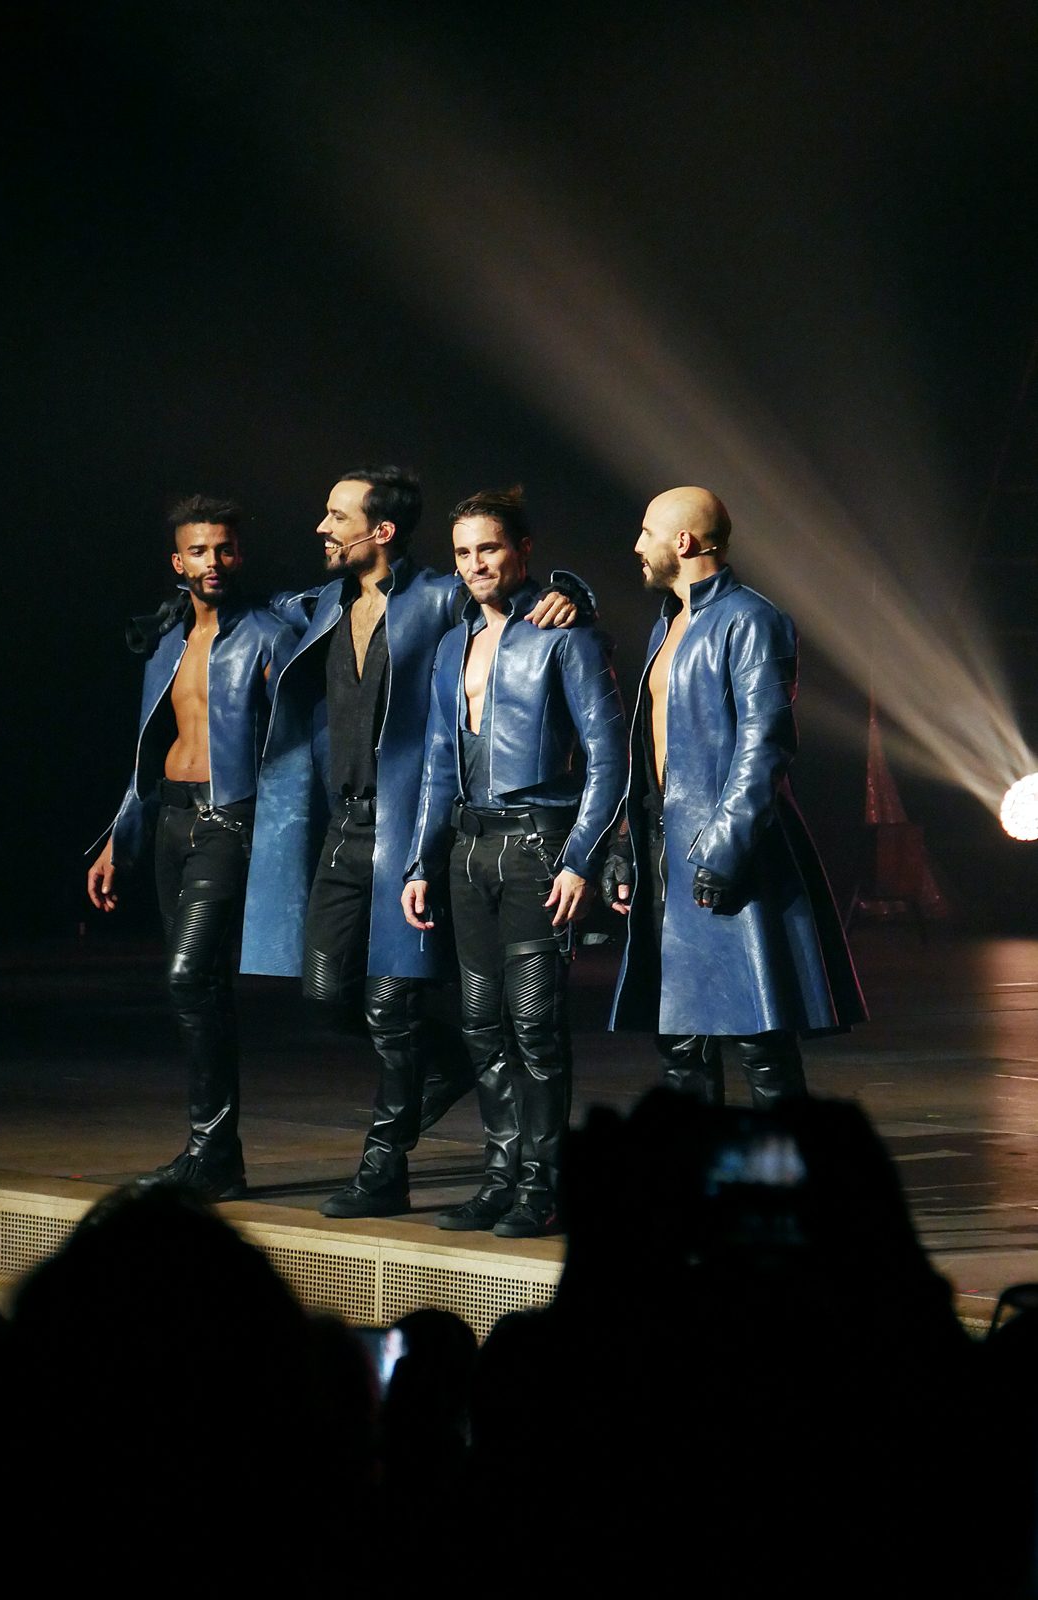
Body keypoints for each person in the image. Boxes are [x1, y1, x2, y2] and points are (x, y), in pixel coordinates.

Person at [240, 467, 590, 1219]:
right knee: (327, 992)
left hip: (409, 826)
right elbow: (265, 608)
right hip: (344, 826)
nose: (322, 528)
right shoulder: (324, 604)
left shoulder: (436, 595)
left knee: (392, 1005)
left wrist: (575, 591)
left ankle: (385, 1166)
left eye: (336, 516)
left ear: (381, 530)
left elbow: (511, 597)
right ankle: (456, 1061)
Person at [403, 487, 628, 1237]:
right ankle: (501, 1177)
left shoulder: (566, 635)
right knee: (479, 1023)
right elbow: (437, 763)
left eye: (489, 548)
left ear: (522, 550)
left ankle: (543, 1185)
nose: (475, 564)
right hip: (469, 850)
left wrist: (580, 859)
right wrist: (419, 863)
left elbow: (609, 758)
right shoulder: (451, 646)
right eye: (463, 552)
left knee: (535, 1024)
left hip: (537, 849)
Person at [603, 485, 865, 1105]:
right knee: (680, 1041)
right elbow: (651, 751)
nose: (637, 545)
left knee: (759, 1037)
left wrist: (723, 849)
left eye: (647, 532)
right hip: (666, 847)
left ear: (683, 541)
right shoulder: (668, 624)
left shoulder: (751, 619)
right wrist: (625, 844)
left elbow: (765, 746)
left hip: (730, 852)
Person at [86, 496, 296, 1199]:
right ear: (178, 562)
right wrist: (119, 839)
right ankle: (218, 1157)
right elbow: (148, 752)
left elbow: (298, 747)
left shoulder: (268, 635)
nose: (214, 561)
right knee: (200, 987)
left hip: (228, 821)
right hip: (171, 822)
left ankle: (210, 1150)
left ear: (240, 554)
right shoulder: (166, 641)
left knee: (185, 977)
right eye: (199, 551)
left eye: (225, 548)